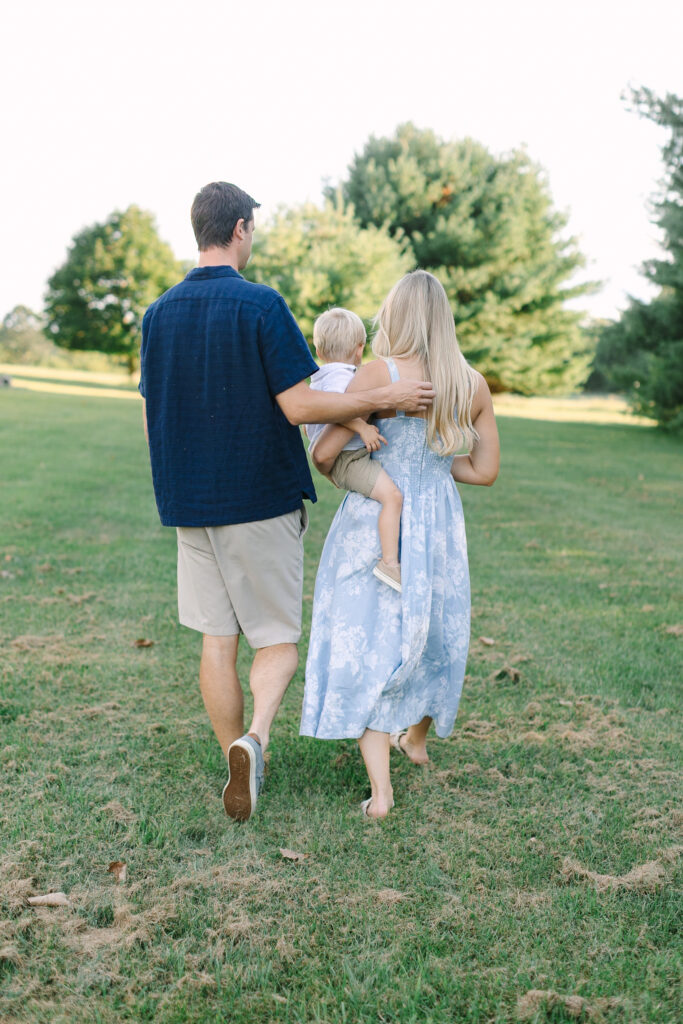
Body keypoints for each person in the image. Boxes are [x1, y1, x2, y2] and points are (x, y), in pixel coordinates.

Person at [139, 182, 435, 822]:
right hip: (258, 497)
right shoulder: (262, 305)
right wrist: (377, 403)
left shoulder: (157, 313)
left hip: (188, 503)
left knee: (216, 640)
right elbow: (301, 406)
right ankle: (255, 741)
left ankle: (233, 760)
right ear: (241, 228)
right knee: (275, 639)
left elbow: (150, 418)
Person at [300, 270, 500, 819]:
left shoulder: (378, 371)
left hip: (377, 520)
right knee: (432, 633)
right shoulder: (471, 382)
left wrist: (381, 441)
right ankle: (416, 738)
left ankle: (382, 794)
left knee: (372, 638)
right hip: (436, 520)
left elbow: (324, 454)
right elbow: (485, 471)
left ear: (395, 315)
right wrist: (433, 467)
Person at [305, 308, 403, 592]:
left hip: (344, 456)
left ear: (319, 349)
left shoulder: (321, 374)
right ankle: (389, 563)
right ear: (360, 349)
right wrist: (361, 427)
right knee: (393, 497)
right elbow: (336, 408)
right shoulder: (339, 378)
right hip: (349, 458)